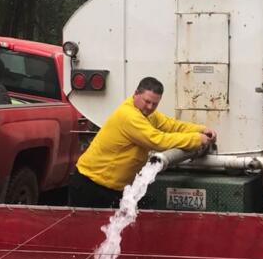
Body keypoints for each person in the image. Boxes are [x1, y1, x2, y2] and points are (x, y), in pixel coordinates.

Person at [69, 77, 214, 208]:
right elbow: (157, 141)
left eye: (155, 104)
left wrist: (201, 129)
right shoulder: (129, 115)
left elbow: (171, 125)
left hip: (113, 188)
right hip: (91, 186)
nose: (150, 107)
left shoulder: (147, 114)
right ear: (136, 94)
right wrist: (195, 139)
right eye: (147, 101)